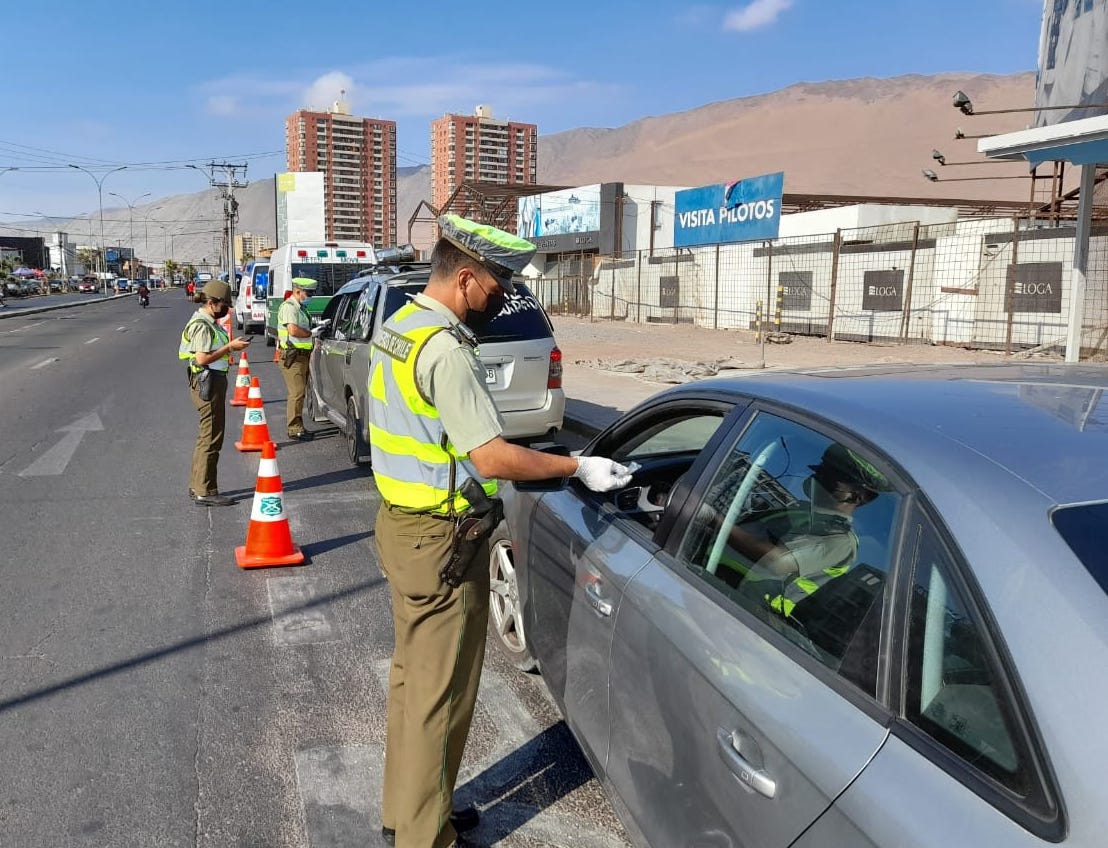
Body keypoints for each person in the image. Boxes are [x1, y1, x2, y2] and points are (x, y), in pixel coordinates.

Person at [368, 214, 632, 848]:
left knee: (413, 684)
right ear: (465, 277)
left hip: (403, 528)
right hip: (443, 541)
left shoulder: (398, 330)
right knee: (442, 690)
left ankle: (407, 812)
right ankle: (424, 837)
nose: (503, 298)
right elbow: (491, 457)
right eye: (499, 285)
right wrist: (577, 465)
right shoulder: (446, 349)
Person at [728, 443, 889, 617]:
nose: (816, 477)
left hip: (748, 607)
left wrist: (711, 519)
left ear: (856, 496)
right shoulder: (804, 511)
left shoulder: (842, 542)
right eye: (819, 470)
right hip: (721, 582)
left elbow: (777, 562)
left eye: (828, 476)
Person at [179, 279, 251, 507]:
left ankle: (198, 485)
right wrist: (229, 348)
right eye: (224, 305)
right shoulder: (202, 324)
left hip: (211, 381)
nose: (227, 310)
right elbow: (202, 358)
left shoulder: (209, 321)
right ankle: (205, 490)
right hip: (207, 382)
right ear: (211, 303)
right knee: (211, 437)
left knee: (207, 437)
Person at [277, 277, 319, 441]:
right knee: (297, 393)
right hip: (292, 357)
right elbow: (293, 330)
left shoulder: (300, 308)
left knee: (300, 393)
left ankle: (299, 426)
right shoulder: (289, 307)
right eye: (308, 293)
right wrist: (311, 333)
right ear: (297, 291)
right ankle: (294, 429)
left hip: (301, 356)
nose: (309, 296)